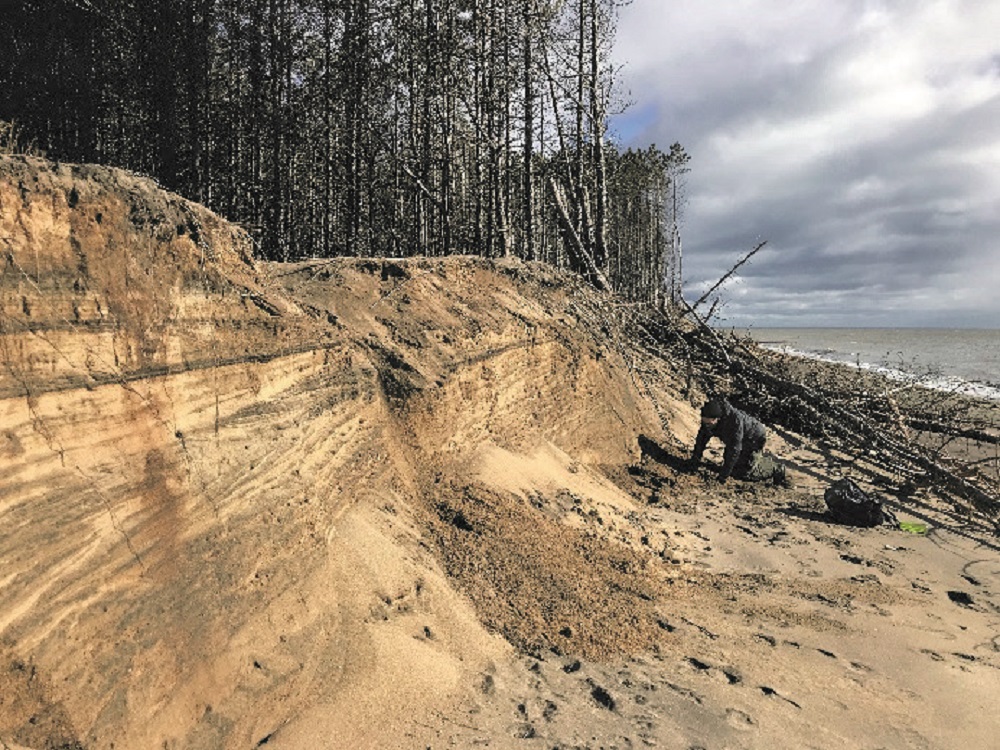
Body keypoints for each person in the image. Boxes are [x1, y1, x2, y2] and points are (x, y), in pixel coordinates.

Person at [688, 398, 784, 484]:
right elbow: (701, 440)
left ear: (717, 419)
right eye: (704, 422)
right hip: (738, 438)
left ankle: (776, 468)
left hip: (754, 438)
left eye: (709, 423)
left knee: (745, 473)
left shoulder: (734, 421)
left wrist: (724, 475)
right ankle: (752, 461)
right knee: (732, 463)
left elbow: (734, 449)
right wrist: (694, 461)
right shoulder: (708, 418)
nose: (706, 426)